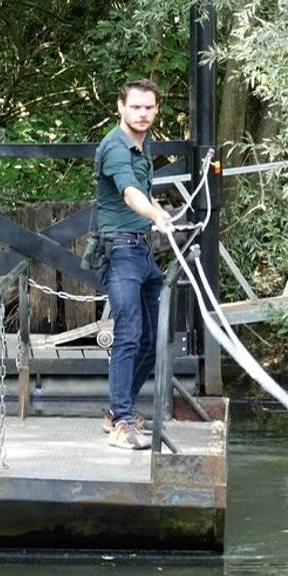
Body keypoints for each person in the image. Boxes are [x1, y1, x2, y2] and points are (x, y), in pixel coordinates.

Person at [94, 78, 173, 450]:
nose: (142, 114)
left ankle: (115, 412)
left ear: (156, 110)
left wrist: (162, 215)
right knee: (128, 334)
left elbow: (145, 196)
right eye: (136, 107)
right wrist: (155, 216)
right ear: (120, 107)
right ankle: (122, 422)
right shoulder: (114, 146)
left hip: (142, 251)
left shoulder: (145, 145)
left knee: (154, 338)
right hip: (121, 251)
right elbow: (129, 193)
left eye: (149, 108)